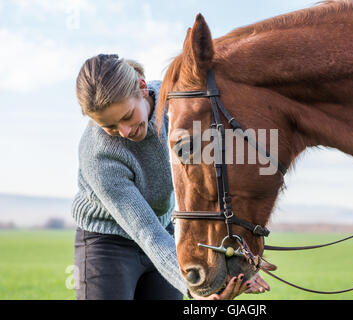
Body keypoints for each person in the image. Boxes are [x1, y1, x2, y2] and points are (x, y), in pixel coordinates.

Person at [72, 54, 269, 300]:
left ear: (142, 88)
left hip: (166, 231)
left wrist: (235, 265)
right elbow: (145, 231)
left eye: (126, 116)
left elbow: (209, 190)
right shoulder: (97, 153)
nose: (123, 132)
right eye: (109, 127)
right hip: (107, 244)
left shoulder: (180, 109)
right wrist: (193, 288)